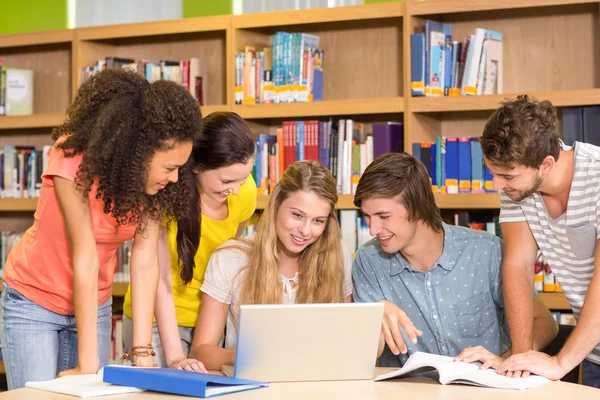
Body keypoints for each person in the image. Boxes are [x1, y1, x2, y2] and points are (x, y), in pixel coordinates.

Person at [0, 69, 201, 390]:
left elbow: (146, 261)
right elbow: (86, 255)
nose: (175, 178)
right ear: (139, 153)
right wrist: (88, 364)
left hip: (95, 304)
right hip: (34, 301)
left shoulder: (152, 187)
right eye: (169, 167)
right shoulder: (71, 158)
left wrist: (142, 353)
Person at [351, 152, 558, 369]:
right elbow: (364, 354)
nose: (373, 229)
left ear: (418, 207)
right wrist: (373, 314)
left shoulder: (486, 252)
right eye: (366, 216)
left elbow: (545, 324)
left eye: (384, 217)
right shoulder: (368, 261)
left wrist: (506, 361)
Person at [122, 112, 257, 371]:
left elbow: (230, 258)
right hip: (155, 320)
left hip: (209, 321)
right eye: (227, 181)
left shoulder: (244, 192)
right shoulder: (164, 192)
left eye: (243, 178)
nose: (236, 190)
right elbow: (158, 278)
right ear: (196, 166)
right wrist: (174, 356)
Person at [480, 95, 600, 387]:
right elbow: (517, 266)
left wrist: (560, 362)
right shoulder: (516, 189)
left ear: (546, 164)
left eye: (506, 175)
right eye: (492, 172)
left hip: (578, 350)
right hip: (593, 351)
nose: (496, 184)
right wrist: (521, 357)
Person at [189, 160, 353, 370]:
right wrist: (255, 356)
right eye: (297, 215)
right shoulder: (230, 258)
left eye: (318, 221)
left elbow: (349, 342)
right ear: (276, 205)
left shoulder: (337, 256)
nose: (305, 230)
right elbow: (201, 351)